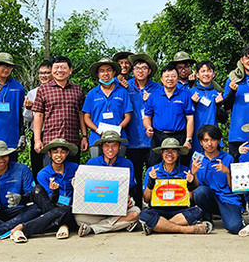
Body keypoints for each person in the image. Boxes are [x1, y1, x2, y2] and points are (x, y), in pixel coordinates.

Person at [9, 138, 80, 242]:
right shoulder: (43, 174)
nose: (59, 155)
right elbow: (49, 202)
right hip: (54, 207)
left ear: (67, 153)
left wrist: (77, 185)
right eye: (55, 152)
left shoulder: (75, 168)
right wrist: (54, 191)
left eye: (63, 152)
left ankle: (23, 228)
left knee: (67, 209)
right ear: (49, 153)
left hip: (71, 208)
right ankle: (62, 225)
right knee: (37, 190)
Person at [138, 138, 212, 235]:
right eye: (166, 151)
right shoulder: (152, 171)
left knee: (197, 212)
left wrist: (190, 184)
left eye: (173, 151)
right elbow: (147, 199)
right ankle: (186, 229)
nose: (170, 154)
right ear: (161, 152)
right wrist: (151, 182)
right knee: (144, 214)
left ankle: (156, 227)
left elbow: (191, 199)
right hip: (158, 210)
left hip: (179, 210)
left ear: (178, 153)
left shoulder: (185, 171)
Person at [80, 131, 141, 235]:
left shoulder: (127, 163)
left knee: (136, 213)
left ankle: (93, 228)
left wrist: (129, 198)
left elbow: (132, 188)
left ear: (120, 147)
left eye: (114, 145)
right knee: (79, 218)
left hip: (119, 209)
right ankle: (119, 224)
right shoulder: (92, 163)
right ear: (102, 147)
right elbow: (86, 189)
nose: (110, 149)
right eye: (106, 145)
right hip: (97, 210)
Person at [32, 56, 86, 166]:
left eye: (63, 67)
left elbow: (81, 114)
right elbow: (38, 115)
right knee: (51, 177)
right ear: (52, 70)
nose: (59, 70)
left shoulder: (78, 89)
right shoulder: (43, 89)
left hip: (72, 141)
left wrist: (84, 136)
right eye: (56, 67)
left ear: (70, 70)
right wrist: (37, 140)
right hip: (50, 143)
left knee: (72, 177)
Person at [125, 53, 162, 208]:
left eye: (144, 68)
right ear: (133, 70)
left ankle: (155, 208)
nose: (140, 71)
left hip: (153, 140)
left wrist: (151, 99)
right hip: (133, 139)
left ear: (149, 71)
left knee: (153, 174)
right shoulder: (126, 86)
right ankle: (137, 209)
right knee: (135, 177)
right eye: (137, 68)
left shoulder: (158, 88)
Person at [192, 124, 245, 234]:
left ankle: (230, 215)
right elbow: (196, 187)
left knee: (235, 227)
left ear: (219, 141)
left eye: (213, 140)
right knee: (200, 191)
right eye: (206, 140)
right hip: (209, 198)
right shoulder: (197, 158)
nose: (209, 144)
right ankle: (206, 217)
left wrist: (227, 172)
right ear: (201, 142)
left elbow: (235, 188)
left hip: (226, 198)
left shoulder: (228, 158)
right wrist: (193, 173)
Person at [143, 65, 195, 166]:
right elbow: (147, 117)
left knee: (181, 165)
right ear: (162, 79)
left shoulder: (185, 95)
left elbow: (190, 119)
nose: (170, 79)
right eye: (167, 76)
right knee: (153, 164)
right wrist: (148, 127)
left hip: (179, 136)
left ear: (177, 78)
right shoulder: (153, 96)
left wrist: (188, 140)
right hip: (158, 136)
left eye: (173, 76)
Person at [82, 58, 133, 158]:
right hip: (97, 138)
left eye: (109, 70)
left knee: (118, 170)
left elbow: (127, 116)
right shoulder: (92, 94)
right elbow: (86, 117)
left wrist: (118, 128)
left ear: (114, 72)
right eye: (102, 71)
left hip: (118, 138)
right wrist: (97, 130)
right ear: (98, 74)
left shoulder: (122, 92)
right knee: (97, 170)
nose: (105, 73)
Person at [23, 60, 53, 179]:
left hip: (52, 133)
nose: (43, 76)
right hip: (37, 134)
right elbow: (27, 118)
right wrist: (29, 108)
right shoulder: (32, 92)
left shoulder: (59, 91)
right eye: (41, 73)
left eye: (47, 73)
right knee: (38, 168)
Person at [189, 60, 226, 154]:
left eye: (209, 71)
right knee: (197, 165)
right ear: (197, 74)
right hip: (195, 136)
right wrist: (193, 103)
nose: (206, 74)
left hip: (213, 138)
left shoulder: (217, 94)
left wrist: (219, 105)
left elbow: (223, 119)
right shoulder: (190, 93)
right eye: (203, 71)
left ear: (213, 74)